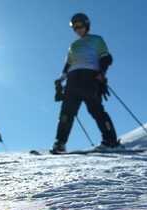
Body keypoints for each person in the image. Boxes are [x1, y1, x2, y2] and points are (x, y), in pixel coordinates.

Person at [51, 13, 119, 154]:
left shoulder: (97, 39)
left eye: (80, 25)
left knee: (96, 110)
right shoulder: (73, 45)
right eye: (74, 27)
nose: (77, 29)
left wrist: (102, 73)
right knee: (66, 113)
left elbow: (106, 57)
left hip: (90, 77)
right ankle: (60, 143)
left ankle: (110, 141)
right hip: (72, 80)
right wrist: (60, 79)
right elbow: (68, 64)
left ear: (86, 25)